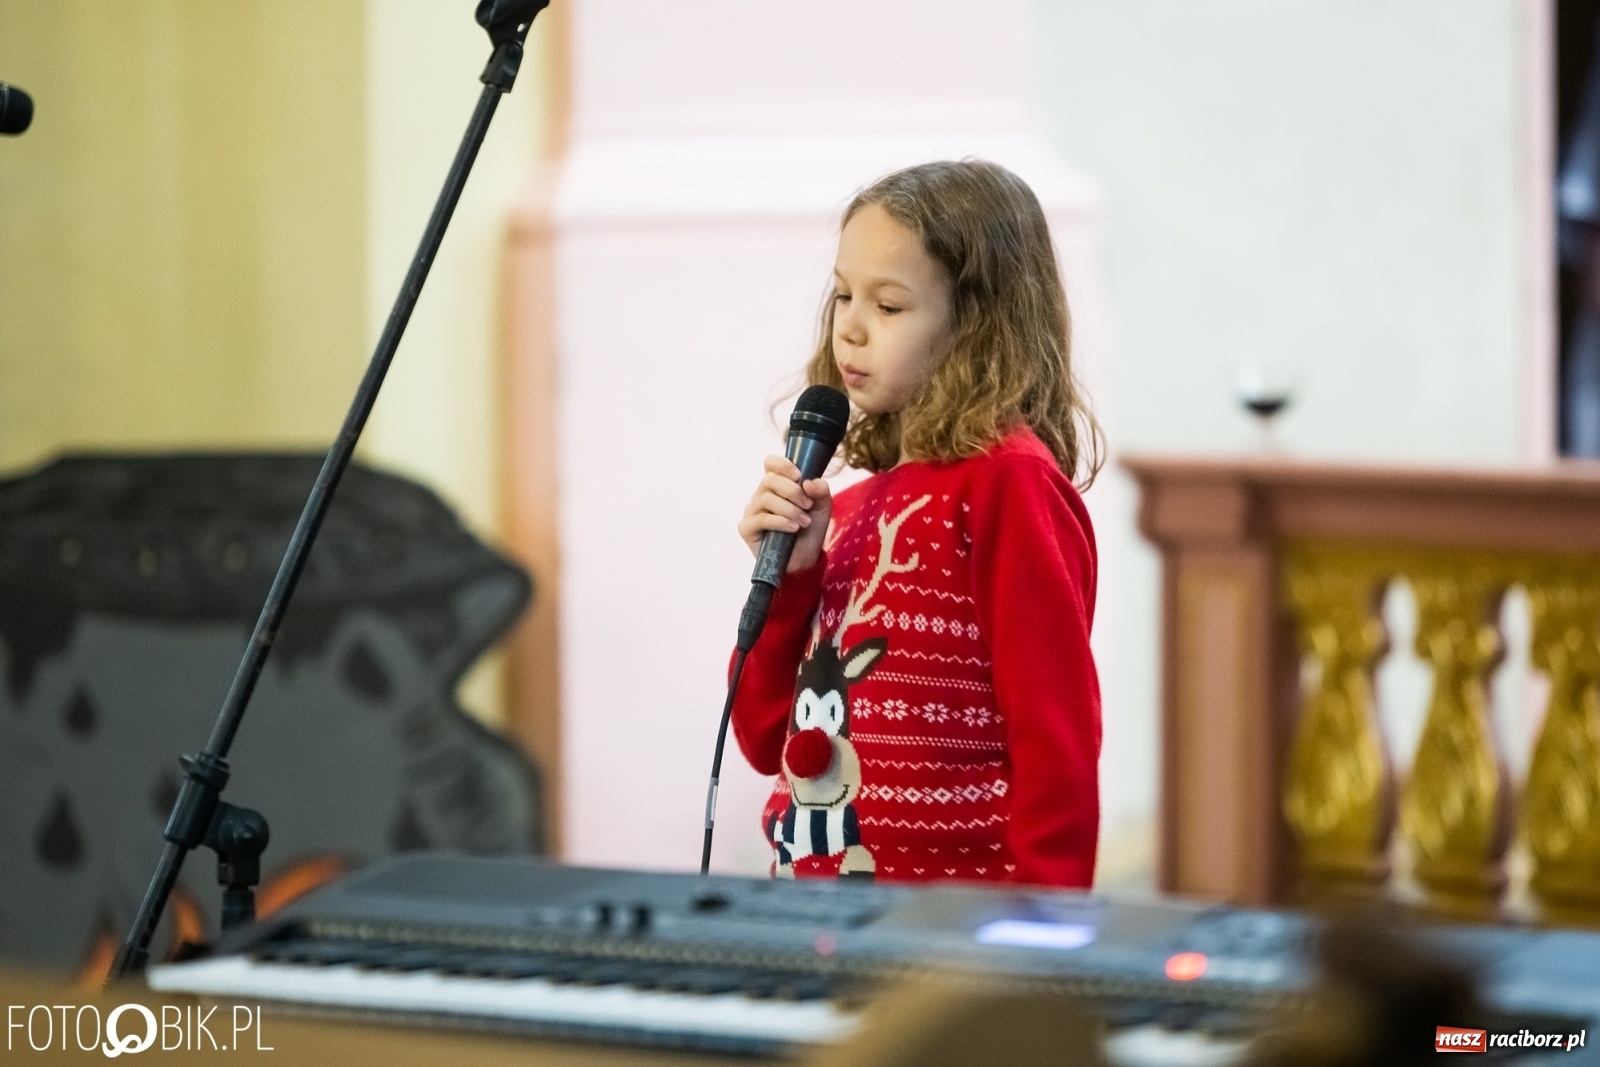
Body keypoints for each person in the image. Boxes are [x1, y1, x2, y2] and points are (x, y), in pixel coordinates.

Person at [732, 160, 1103, 887]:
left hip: (951, 937)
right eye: (843, 296)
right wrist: (791, 580)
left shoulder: (1007, 481)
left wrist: (1045, 929)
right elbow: (764, 734)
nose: (852, 329)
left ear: (976, 326)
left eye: (890, 306)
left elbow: (1055, 734)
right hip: (821, 913)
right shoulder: (859, 505)